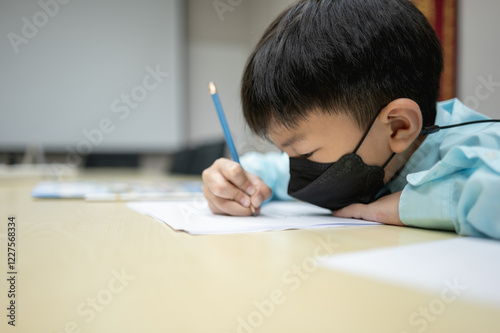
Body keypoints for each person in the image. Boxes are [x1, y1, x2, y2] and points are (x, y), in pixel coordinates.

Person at [202, 0, 500, 239]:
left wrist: (406, 207)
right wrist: (236, 181)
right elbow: (270, 172)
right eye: (287, 153)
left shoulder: (476, 145)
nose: (296, 172)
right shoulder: (360, 143)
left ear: (399, 127)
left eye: (306, 154)